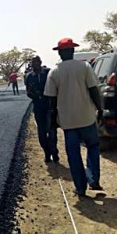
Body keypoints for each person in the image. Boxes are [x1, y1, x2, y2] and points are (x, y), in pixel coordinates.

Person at [45, 38, 104, 197]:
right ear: (72, 51)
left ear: (59, 53)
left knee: (73, 154)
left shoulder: (54, 72)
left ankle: (80, 187)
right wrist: (101, 109)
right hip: (87, 117)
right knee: (92, 147)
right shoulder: (84, 67)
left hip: (68, 122)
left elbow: (51, 100)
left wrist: (52, 120)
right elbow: (93, 90)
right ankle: (93, 179)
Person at [25, 56, 59, 163]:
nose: (34, 64)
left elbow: (55, 87)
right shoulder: (29, 76)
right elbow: (28, 92)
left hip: (50, 106)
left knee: (52, 131)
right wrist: (35, 95)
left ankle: (54, 152)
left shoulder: (48, 73)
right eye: (32, 62)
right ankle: (47, 153)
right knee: (41, 131)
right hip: (38, 107)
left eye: (36, 62)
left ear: (40, 62)